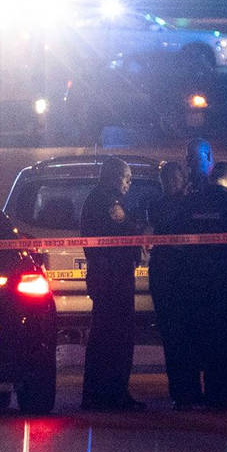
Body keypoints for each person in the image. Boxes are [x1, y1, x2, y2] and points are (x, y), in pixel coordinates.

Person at [167, 160, 227, 408]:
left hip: (192, 282)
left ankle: (188, 395)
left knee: (193, 338)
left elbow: (177, 240)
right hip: (226, 283)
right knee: (224, 339)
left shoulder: (190, 203)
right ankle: (220, 395)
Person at [79, 157, 143, 410]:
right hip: (113, 279)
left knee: (107, 336)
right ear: (114, 176)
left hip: (109, 277)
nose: (129, 183)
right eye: (126, 177)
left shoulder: (99, 199)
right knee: (115, 337)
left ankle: (107, 392)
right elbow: (124, 233)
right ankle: (110, 394)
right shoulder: (107, 203)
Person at [147, 162, 197, 405]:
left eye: (175, 179)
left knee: (190, 337)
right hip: (166, 278)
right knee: (173, 338)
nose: (171, 183)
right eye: (166, 180)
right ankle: (181, 392)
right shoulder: (158, 206)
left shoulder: (191, 203)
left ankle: (192, 390)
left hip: (187, 278)